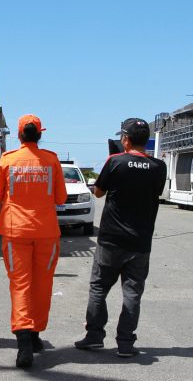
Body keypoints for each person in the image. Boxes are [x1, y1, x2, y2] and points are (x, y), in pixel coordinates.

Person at [74, 118, 167, 357]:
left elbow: (98, 192)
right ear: (145, 139)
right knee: (132, 292)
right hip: (140, 241)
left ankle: (94, 336)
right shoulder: (159, 166)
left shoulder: (115, 162)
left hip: (111, 240)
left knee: (98, 288)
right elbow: (153, 191)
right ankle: (125, 343)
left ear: (125, 139)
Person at [0, 114, 67, 368]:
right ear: (39, 134)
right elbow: (61, 198)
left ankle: (23, 339)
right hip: (46, 232)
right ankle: (35, 335)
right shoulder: (51, 161)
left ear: (20, 135)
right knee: (43, 284)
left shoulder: (8, 160)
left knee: (20, 285)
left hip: (15, 232)